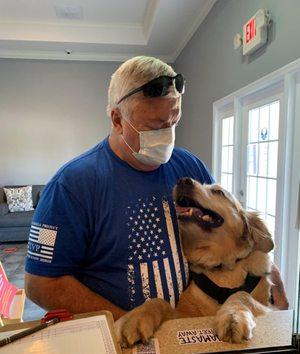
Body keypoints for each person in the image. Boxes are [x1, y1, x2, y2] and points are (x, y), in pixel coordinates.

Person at [25, 56, 288, 320]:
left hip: (191, 327)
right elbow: (41, 285)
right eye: (154, 126)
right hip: (121, 340)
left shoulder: (189, 166)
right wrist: (125, 325)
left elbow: (231, 232)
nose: (167, 135)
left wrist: (270, 276)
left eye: (173, 121)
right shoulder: (72, 185)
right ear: (117, 120)